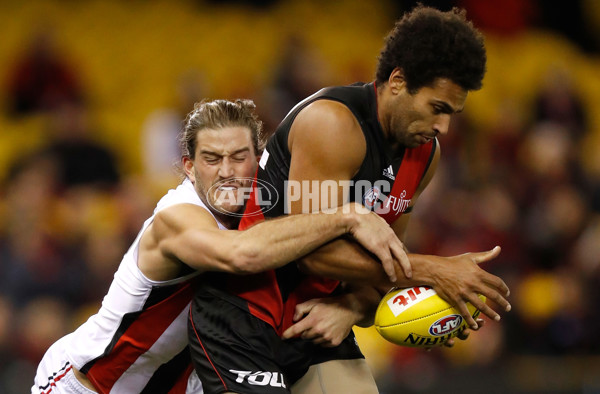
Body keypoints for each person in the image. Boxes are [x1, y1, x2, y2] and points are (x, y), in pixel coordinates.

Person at [189, 5, 512, 394]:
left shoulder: (424, 155)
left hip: (318, 319)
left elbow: (386, 262)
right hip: (243, 315)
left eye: (452, 114)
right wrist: (436, 272)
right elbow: (311, 252)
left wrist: (354, 307)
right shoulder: (332, 124)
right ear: (397, 81)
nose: (443, 126)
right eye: (437, 109)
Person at [31, 99, 409, 394]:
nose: (227, 171)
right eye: (211, 159)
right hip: (88, 383)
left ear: (258, 160)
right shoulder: (177, 217)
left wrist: (352, 305)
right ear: (190, 168)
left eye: (239, 157)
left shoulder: (273, 209)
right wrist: (348, 216)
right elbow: (241, 253)